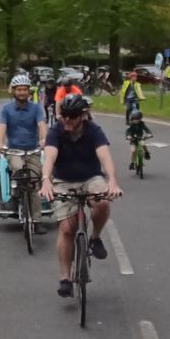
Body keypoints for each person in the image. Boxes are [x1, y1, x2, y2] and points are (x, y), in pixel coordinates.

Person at [40, 95, 123, 298]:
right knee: (67, 228)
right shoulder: (56, 131)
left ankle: (95, 238)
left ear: (83, 116)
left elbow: (105, 156)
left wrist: (112, 180)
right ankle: (65, 279)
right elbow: (50, 156)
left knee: (102, 201)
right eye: (64, 115)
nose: (67, 119)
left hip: (91, 177)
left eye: (73, 116)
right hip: (63, 181)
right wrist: (46, 180)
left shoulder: (94, 130)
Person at [0, 73, 48, 235]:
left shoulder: (36, 108)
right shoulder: (7, 109)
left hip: (32, 151)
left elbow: (41, 125)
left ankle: (37, 221)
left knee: (34, 181)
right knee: (18, 169)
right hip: (14, 151)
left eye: (25, 89)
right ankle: (15, 193)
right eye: (19, 89)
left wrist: (44, 140)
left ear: (28, 92)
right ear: (14, 91)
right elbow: (2, 127)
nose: (22, 92)